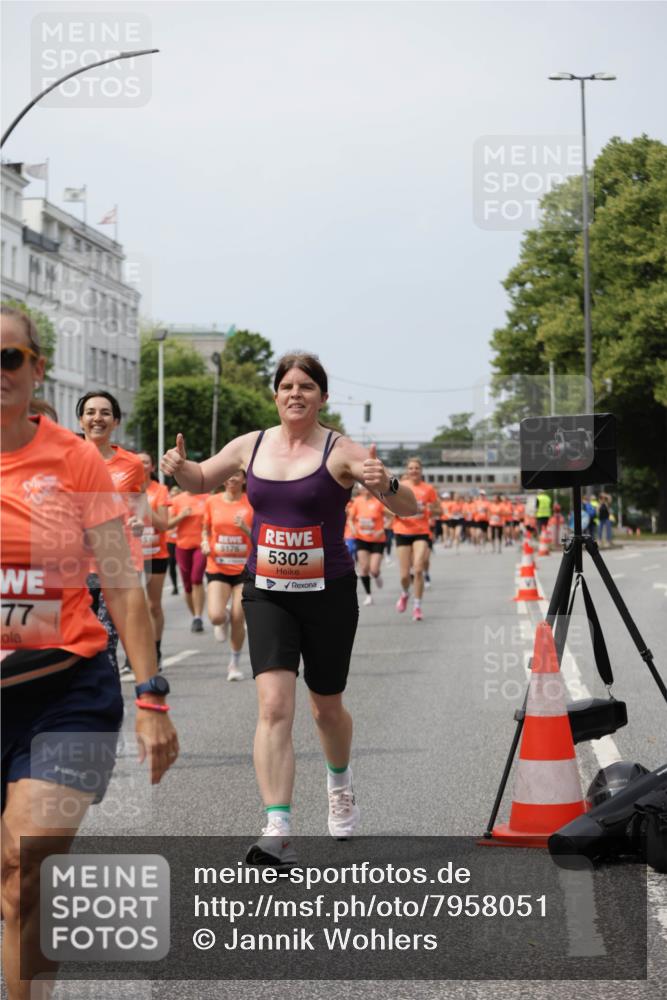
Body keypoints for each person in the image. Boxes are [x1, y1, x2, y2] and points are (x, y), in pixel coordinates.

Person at [161, 351, 416, 865]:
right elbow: (200, 480)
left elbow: (406, 506)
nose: (295, 393)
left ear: (322, 396)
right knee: (274, 707)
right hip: (268, 591)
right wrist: (178, 466)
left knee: (326, 707)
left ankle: (339, 785)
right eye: (286, 386)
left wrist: (385, 481)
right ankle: (277, 826)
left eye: (306, 386)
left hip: (329, 594)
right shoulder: (249, 446)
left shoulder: (340, 450)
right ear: (274, 395)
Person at [0, 306, 178, 1000]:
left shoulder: (73, 459)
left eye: (9, 358)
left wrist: (152, 696)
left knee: (24, 875)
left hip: (65, 693)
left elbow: (124, 586)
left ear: (37, 367)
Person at [76, 390, 146, 680]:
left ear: (115, 421)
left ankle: (105, 709)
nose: (97, 418)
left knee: (105, 641)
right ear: (81, 420)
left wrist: (140, 518)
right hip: (72, 569)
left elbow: (140, 497)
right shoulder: (64, 460)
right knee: (74, 647)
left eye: (105, 413)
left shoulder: (131, 464)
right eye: (91, 412)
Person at [202, 471, 253, 680]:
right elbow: (205, 529)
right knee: (215, 616)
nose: (231, 478)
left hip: (244, 569)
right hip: (218, 566)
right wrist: (204, 541)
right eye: (227, 475)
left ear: (244, 479)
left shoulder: (252, 503)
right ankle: (222, 619)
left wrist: (245, 528)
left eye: (236, 475)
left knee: (238, 618)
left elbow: (260, 535)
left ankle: (234, 664)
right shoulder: (212, 501)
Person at [391, 457, 438, 621]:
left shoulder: (428, 489)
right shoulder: (400, 486)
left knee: (418, 569)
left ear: (421, 470)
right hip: (402, 531)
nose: (414, 471)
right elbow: (387, 508)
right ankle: (405, 593)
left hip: (421, 532)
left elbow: (440, 510)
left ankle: (417, 606)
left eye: (417, 468)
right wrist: (398, 511)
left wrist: (432, 508)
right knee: (404, 576)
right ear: (407, 470)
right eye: (411, 468)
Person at [138, 453, 170, 670]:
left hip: (156, 555)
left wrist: (144, 504)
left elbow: (163, 525)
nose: (141, 466)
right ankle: (133, 655)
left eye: (145, 463)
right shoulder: (123, 488)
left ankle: (156, 650)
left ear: (152, 467)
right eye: (137, 463)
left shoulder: (160, 490)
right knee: (132, 607)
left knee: (153, 606)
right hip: (131, 557)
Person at [168, 487, 209, 631]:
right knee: (187, 585)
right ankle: (195, 617)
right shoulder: (177, 500)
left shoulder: (207, 498)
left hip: (201, 545)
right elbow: (168, 524)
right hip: (182, 546)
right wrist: (182, 516)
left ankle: (198, 616)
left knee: (196, 578)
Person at [348, 486, 386, 606]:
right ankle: (369, 595)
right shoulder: (357, 501)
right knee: (364, 568)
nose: (366, 490)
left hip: (377, 539)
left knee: (373, 569)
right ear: (360, 490)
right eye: (363, 488)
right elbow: (350, 519)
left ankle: (377, 574)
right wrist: (353, 529)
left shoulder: (379, 501)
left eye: (367, 488)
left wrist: (382, 530)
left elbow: (391, 517)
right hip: (361, 538)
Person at [166, 485, 180, 595]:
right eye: (172, 495)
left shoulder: (183, 507)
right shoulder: (166, 508)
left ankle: (187, 584)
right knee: (171, 564)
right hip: (170, 540)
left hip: (180, 540)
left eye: (176, 495)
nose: (174, 497)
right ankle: (175, 586)